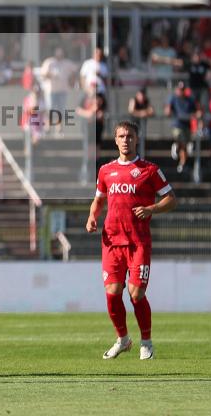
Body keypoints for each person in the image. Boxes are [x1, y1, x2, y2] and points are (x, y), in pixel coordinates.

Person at [86, 121, 177, 360]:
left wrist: (152, 209)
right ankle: (123, 339)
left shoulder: (149, 169)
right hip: (112, 241)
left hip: (138, 242)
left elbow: (171, 199)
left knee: (136, 294)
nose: (125, 140)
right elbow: (98, 200)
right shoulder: (106, 170)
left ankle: (146, 342)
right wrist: (92, 217)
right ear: (115, 140)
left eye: (129, 136)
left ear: (137, 139)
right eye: (121, 136)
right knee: (113, 292)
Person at [39, 47, 77, 136]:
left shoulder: (67, 63)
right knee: (49, 110)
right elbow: (43, 74)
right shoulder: (49, 62)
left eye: (61, 52)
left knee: (60, 110)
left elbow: (76, 70)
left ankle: (59, 129)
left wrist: (72, 79)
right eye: (58, 52)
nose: (59, 54)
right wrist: (51, 75)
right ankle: (47, 128)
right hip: (51, 91)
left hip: (62, 90)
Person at [164, 81, 199, 173]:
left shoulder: (190, 100)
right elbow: (168, 109)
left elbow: (197, 111)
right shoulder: (173, 98)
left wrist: (196, 115)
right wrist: (168, 111)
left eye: (183, 89)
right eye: (180, 89)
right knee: (180, 139)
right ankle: (177, 147)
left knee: (185, 146)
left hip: (187, 125)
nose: (181, 91)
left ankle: (182, 163)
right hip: (177, 124)